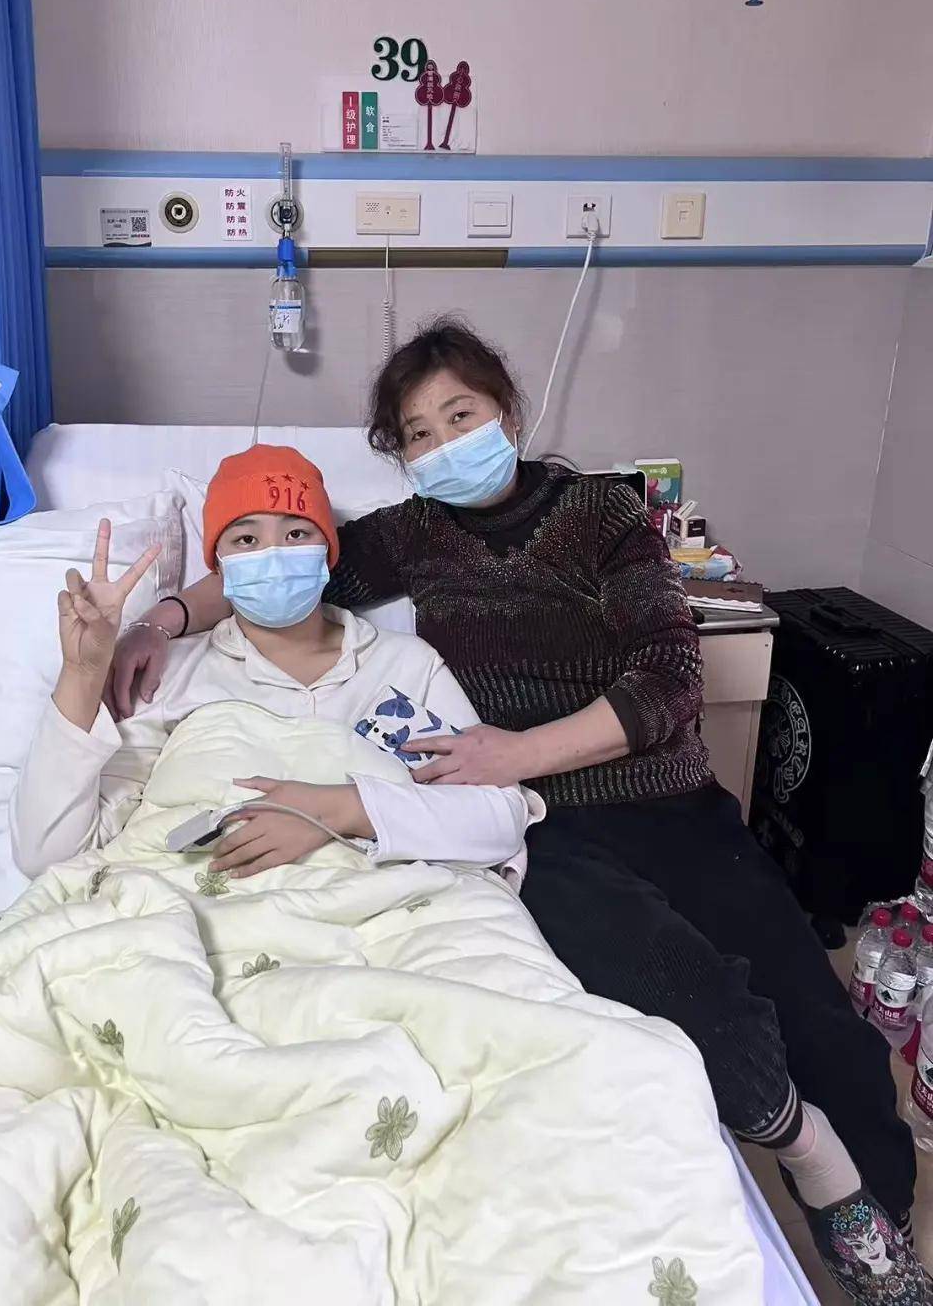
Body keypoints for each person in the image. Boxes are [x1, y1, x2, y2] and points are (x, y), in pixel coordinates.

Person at [108, 320, 928, 1304]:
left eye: (461, 415)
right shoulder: (411, 535)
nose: (444, 444)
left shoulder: (603, 514)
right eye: (418, 434)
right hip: (544, 829)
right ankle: (807, 1149)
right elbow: (281, 554)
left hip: (664, 799)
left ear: (507, 408)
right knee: (685, 990)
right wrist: (160, 621)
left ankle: (878, 1227)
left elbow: (669, 682)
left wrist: (518, 751)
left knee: (820, 1017)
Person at [10, 444, 541, 886]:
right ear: (220, 566)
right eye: (246, 539)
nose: (274, 553)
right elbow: (49, 856)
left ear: (327, 553)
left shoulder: (404, 666)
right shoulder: (169, 676)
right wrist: (82, 674)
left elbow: (496, 819)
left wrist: (340, 810)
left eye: (296, 534)